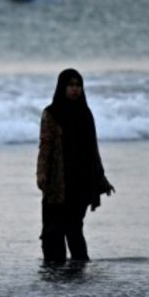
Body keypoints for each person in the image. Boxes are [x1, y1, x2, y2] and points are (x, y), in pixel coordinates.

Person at [36, 69, 114, 263]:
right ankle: (55, 268)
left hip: (82, 180)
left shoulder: (85, 113)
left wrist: (100, 176)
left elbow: (93, 148)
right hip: (58, 180)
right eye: (70, 85)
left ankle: (79, 268)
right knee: (53, 229)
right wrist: (41, 173)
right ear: (62, 87)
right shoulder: (51, 113)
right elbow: (45, 145)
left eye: (78, 85)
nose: (74, 89)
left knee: (74, 227)